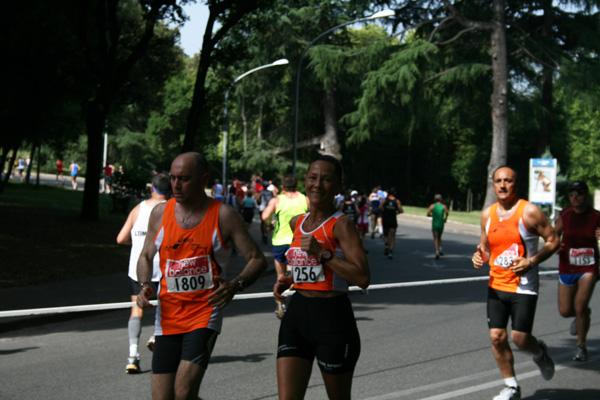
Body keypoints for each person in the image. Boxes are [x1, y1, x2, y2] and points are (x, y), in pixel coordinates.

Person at [136, 152, 267, 400]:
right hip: (168, 315)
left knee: (183, 392)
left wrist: (236, 284)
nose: (175, 185)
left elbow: (257, 259)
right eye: (172, 178)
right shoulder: (160, 213)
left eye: (184, 179)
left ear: (203, 180)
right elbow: (145, 256)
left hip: (204, 313)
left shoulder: (224, 215)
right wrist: (144, 285)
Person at [273, 155, 370, 400]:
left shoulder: (342, 225)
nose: (317, 185)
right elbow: (308, 269)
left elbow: (362, 277)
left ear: (338, 186)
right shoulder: (298, 222)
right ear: (305, 181)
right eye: (313, 178)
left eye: (326, 180)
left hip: (332, 319)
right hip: (297, 315)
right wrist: (289, 279)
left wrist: (323, 253)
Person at [472, 166, 560, 400]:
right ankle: (511, 386)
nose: (502, 185)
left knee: (520, 338)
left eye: (508, 181)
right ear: (493, 185)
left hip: (524, 286)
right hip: (496, 285)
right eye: (498, 181)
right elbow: (486, 247)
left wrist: (531, 261)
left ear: (516, 185)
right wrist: (479, 255)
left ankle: (539, 352)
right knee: (497, 337)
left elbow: (553, 240)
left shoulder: (529, 211)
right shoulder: (487, 214)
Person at [116, 173, 171, 374]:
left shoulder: (138, 209)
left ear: (151, 188)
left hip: (137, 270)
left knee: (136, 310)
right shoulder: (172, 210)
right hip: (162, 269)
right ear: (170, 190)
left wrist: (138, 242)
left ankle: (132, 356)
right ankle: (156, 336)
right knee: (164, 308)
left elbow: (121, 238)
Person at [554, 180, 600, 362]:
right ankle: (583, 316)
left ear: (586, 196)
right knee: (566, 310)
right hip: (567, 266)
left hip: (589, 267)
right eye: (571, 193)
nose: (574, 196)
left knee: (579, 305)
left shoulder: (596, 216)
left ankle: (581, 346)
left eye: (578, 193)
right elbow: (553, 235)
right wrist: (556, 245)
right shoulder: (564, 214)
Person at [261, 174, 308, 319]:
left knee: (280, 276)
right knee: (297, 275)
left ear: (282, 187)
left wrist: (269, 225)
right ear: (297, 186)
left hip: (280, 241)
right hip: (299, 242)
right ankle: (299, 303)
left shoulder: (277, 200)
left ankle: (280, 303)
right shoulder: (304, 199)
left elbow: (264, 216)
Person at [379, 188, 403, 259]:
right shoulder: (397, 201)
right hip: (393, 220)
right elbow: (401, 210)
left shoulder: (385, 200)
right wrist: (396, 212)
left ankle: (386, 245)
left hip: (385, 219)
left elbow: (379, 207)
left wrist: (384, 210)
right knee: (392, 237)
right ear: (395, 193)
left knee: (385, 234)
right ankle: (391, 251)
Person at [427, 194, 449, 259]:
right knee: (440, 236)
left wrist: (432, 215)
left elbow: (428, 214)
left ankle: (437, 251)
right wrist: (445, 218)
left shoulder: (432, 206)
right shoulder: (443, 206)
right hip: (441, 223)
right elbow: (447, 213)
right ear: (441, 199)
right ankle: (440, 248)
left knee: (435, 238)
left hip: (435, 223)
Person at [259, 180, 275, 244]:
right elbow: (273, 198)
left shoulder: (261, 192)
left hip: (262, 208)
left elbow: (258, 200)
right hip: (269, 208)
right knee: (268, 222)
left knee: (262, 222)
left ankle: (264, 234)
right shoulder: (270, 192)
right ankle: (267, 234)